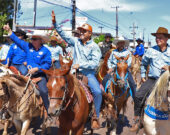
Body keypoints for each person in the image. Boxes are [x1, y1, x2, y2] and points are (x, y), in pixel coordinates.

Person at [52, 11, 102, 129]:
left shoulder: (94, 46)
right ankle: (57, 114)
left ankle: (95, 116)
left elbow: (94, 63)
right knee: (58, 86)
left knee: (98, 92)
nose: (81, 33)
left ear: (90, 33)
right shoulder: (76, 42)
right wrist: (55, 23)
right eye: (80, 31)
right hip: (73, 74)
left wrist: (80, 65)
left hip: (88, 75)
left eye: (84, 31)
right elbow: (64, 35)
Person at [3, 24, 52, 114]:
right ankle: (9, 110)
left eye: (34, 39)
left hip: (39, 75)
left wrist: (37, 69)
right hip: (28, 74)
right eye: (32, 38)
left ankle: (48, 111)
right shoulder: (27, 46)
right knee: (15, 87)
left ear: (40, 40)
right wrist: (9, 30)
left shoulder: (46, 51)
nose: (32, 40)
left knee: (44, 91)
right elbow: (17, 40)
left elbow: (48, 64)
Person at [130, 27, 170, 132]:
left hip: (167, 80)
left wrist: (169, 68)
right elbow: (144, 63)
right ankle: (137, 120)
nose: (157, 40)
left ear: (166, 39)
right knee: (138, 96)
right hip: (153, 79)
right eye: (156, 38)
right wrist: (143, 75)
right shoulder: (151, 50)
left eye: (160, 38)